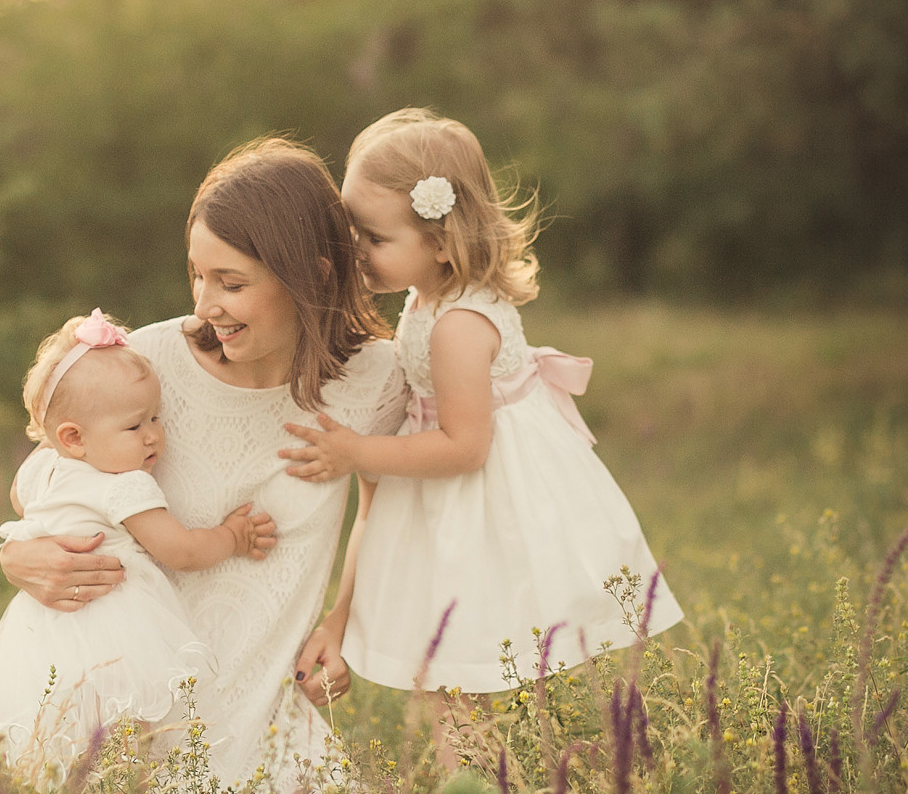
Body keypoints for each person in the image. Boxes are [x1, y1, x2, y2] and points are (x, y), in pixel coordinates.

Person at [0, 140, 405, 794]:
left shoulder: (376, 379)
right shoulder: (148, 362)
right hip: (136, 710)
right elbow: (48, 472)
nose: (206, 302)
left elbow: (385, 506)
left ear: (315, 275)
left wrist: (341, 621)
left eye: (232, 282)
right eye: (197, 275)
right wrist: (20, 554)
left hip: (265, 705)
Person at [284, 108, 682, 717]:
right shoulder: (429, 297)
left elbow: (466, 446)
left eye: (375, 238)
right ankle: (474, 793)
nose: (355, 252)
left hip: (493, 504)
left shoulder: (460, 325)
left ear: (441, 242)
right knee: (452, 671)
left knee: (487, 661)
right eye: (353, 232)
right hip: (448, 500)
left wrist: (357, 451)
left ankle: (525, 784)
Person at [0, 309, 275, 782]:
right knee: (130, 736)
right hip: (118, 630)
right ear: (74, 437)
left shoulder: (41, 470)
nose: (154, 435)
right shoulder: (124, 487)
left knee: (58, 736)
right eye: (135, 426)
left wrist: (56, 445)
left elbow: (20, 498)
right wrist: (231, 536)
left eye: (156, 417)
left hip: (45, 632)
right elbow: (179, 550)